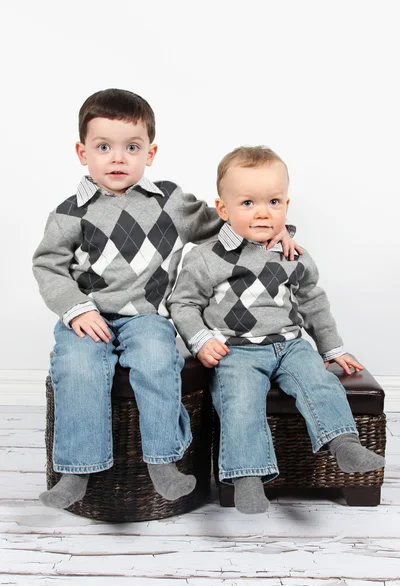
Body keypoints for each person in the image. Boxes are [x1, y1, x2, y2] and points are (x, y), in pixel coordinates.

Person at [32, 91, 299, 510]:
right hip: (89, 315)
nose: (117, 159)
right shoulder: (69, 214)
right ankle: (76, 471)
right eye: (104, 147)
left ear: (150, 153)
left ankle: (162, 462)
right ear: (83, 152)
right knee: (77, 367)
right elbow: (49, 266)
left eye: (131, 148)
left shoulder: (169, 201)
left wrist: (272, 230)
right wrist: (76, 308)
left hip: (147, 317)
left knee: (158, 362)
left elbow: (226, 220)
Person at [168, 145, 385, 515]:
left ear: (286, 204)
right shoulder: (207, 257)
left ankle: (344, 444)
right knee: (238, 401)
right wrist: (201, 339)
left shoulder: (291, 254)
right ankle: (248, 477)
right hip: (235, 350)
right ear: (223, 209)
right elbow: (183, 304)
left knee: (319, 382)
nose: (263, 212)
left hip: (289, 345)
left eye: (273, 201)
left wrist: (332, 349)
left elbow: (313, 302)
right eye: (248, 203)